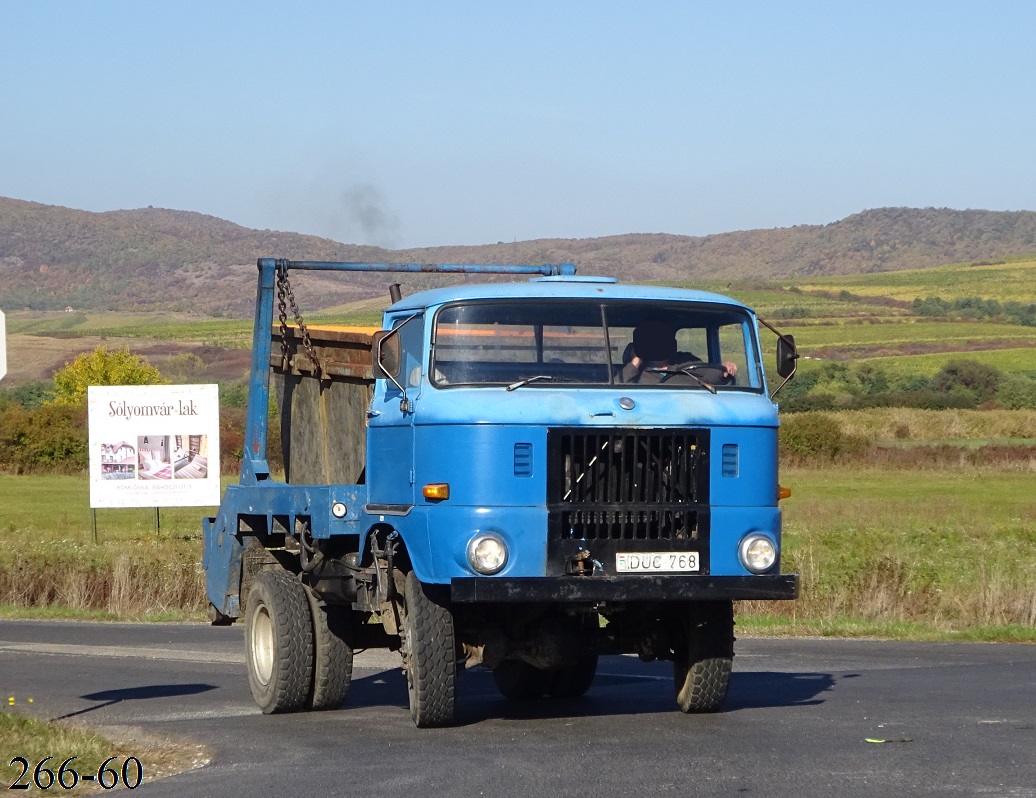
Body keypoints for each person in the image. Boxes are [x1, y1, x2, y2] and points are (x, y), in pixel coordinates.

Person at [620, 320, 738, 385]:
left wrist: (725, 369)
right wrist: (636, 361)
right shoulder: (636, 372)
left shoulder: (685, 360)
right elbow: (619, 387)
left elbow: (712, 377)